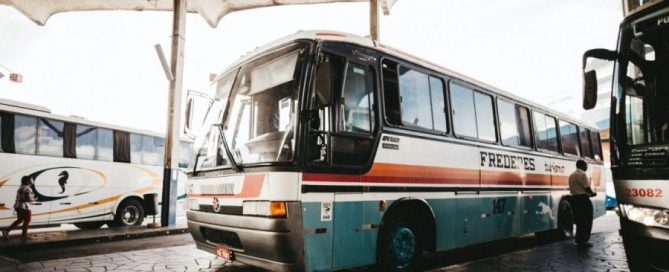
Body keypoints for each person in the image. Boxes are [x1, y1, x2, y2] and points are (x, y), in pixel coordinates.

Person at [568, 160, 597, 248]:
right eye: (586, 165)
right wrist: (592, 194)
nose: (587, 167)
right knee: (587, 220)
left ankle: (578, 239)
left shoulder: (571, 175)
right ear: (582, 165)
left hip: (574, 199)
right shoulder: (582, 174)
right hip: (583, 199)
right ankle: (584, 241)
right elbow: (587, 188)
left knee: (579, 221)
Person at [2, 176, 36, 241]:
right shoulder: (27, 188)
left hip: (18, 206)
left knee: (20, 220)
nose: (32, 180)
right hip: (24, 207)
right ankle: (24, 236)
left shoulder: (21, 187)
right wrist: (33, 200)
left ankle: (6, 231)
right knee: (27, 220)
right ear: (27, 181)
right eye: (31, 179)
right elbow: (28, 198)